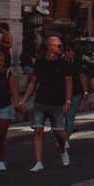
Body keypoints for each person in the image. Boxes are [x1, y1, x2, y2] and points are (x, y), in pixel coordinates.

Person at [20, 36, 71, 171]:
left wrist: (68, 100)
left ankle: (63, 151)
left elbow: (68, 83)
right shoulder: (40, 63)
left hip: (57, 103)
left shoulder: (64, 64)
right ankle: (39, 162)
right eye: (58, 46)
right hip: (41, 102)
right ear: (50, 47)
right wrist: (24, 100)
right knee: (37, 130)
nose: (61, 48)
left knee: (59, 133)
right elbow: (33, 83)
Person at [0, 49, 24, 170]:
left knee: (1, 136)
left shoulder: (8, 74)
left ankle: (0, 161)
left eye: (1, 60)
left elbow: (14, 91)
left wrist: (16, 104)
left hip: (4, 108)